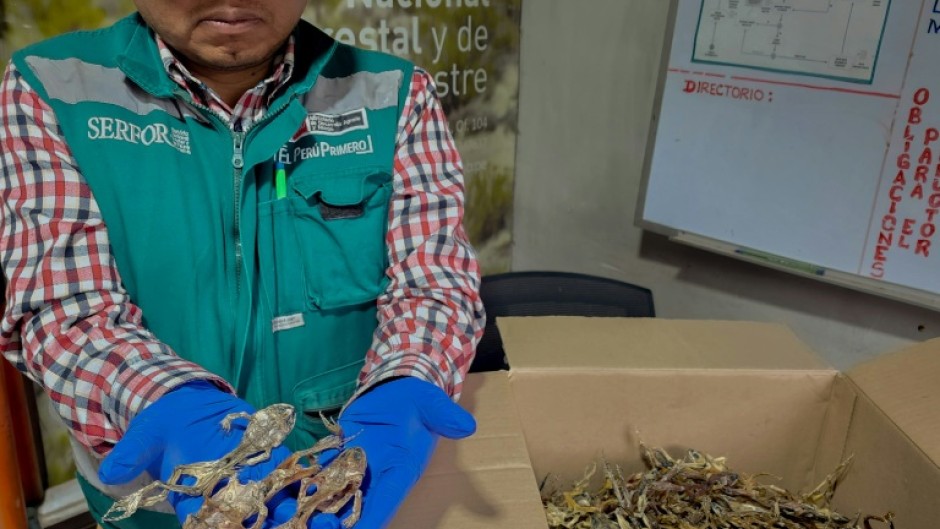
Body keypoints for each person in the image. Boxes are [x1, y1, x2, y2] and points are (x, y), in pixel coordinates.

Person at [0, 1, 485, 528]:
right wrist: (169, 403)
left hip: (332, 487)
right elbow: (63, 305)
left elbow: (431, 282)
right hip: (157, 500)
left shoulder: (392, 93)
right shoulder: (53, 86)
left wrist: (406, 376)